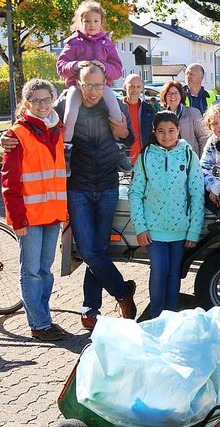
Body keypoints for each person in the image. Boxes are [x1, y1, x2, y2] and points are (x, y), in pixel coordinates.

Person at [63, 65, 136, 329]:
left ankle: (90, 309)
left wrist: (124, 133)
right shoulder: (67, 105)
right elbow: (42, 119)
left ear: (105, 83)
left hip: (107, 186)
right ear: (79, 84)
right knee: (88, 250)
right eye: (88, 85)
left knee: (99, 250)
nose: (93, 91)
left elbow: (130, 140)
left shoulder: (114, 105)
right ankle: (122, 291)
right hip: (78, 187)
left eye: (98, 85)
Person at [1, 79, 67, 341]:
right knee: (31, 271)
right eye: (36, 101)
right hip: (28, 216)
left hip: (52, 214)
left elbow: (59, 175)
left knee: (45, 271)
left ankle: (44, 319)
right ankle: (39, 325)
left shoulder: (57, 129)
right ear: (27, 103)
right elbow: (9, 180)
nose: (42, 105)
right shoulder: (17, 134)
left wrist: (65, 212)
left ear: (53, 99)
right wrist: (16, 218)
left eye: (46, 99)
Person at [128, 111, 204, 318]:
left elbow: (196, 194)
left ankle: (169, 318)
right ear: (155, 132)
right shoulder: (146, 157)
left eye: (171, 130)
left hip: (180, 230)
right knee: (159, 270)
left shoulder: (188, 156)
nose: (167, 135)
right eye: (161, 131)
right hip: (154, 230)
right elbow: (135, 193)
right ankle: (155, 317)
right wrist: (141, 227)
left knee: (173, 274)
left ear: (178, 130)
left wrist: (193, 230)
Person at [56, 0, 129, 172]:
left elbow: (117, 69)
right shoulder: (73, 42)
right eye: (87, 21)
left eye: (95, 21)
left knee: (116, 112)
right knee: (70, 115)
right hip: (78, 86)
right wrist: (76, 65)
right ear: (80, 22)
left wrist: (105, 67)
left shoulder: (107, 43)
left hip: (102, 86)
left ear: (101, 22)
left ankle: (119, 149)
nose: (91, 25)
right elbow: (61, 66)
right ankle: (66, 154)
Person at [159, 80, 209, 158]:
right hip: (170, 162)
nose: (173, 97)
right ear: (164, 96)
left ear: (181, 95)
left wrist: (201, 162)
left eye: (176, 93)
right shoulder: (160, 117)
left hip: (190, 162)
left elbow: (204, 139)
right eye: (169, 94)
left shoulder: (193, 113)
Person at [122, 74, 154, 165]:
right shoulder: (117, 108)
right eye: (131, 86)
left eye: (138, 86)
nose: (135, 90)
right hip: (121, 160)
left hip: (142, 160)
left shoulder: (148, 109)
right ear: (124, 87)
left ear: (142, 88)